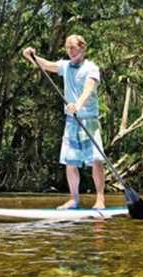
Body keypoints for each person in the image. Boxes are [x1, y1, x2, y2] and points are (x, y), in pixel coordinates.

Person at [22, 35, 105, 210]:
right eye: (67, 48)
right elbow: (46, 65)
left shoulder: (92, 68)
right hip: (71, 121)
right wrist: (32, 57)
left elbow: (88, 90)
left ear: (83, 48)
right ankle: (74, 200)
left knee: (96, 160)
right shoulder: (65, 66)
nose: (70, 51)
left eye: (73, 48)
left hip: (88, 120)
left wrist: (78, 105)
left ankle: (100, 200)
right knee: (70, 161)